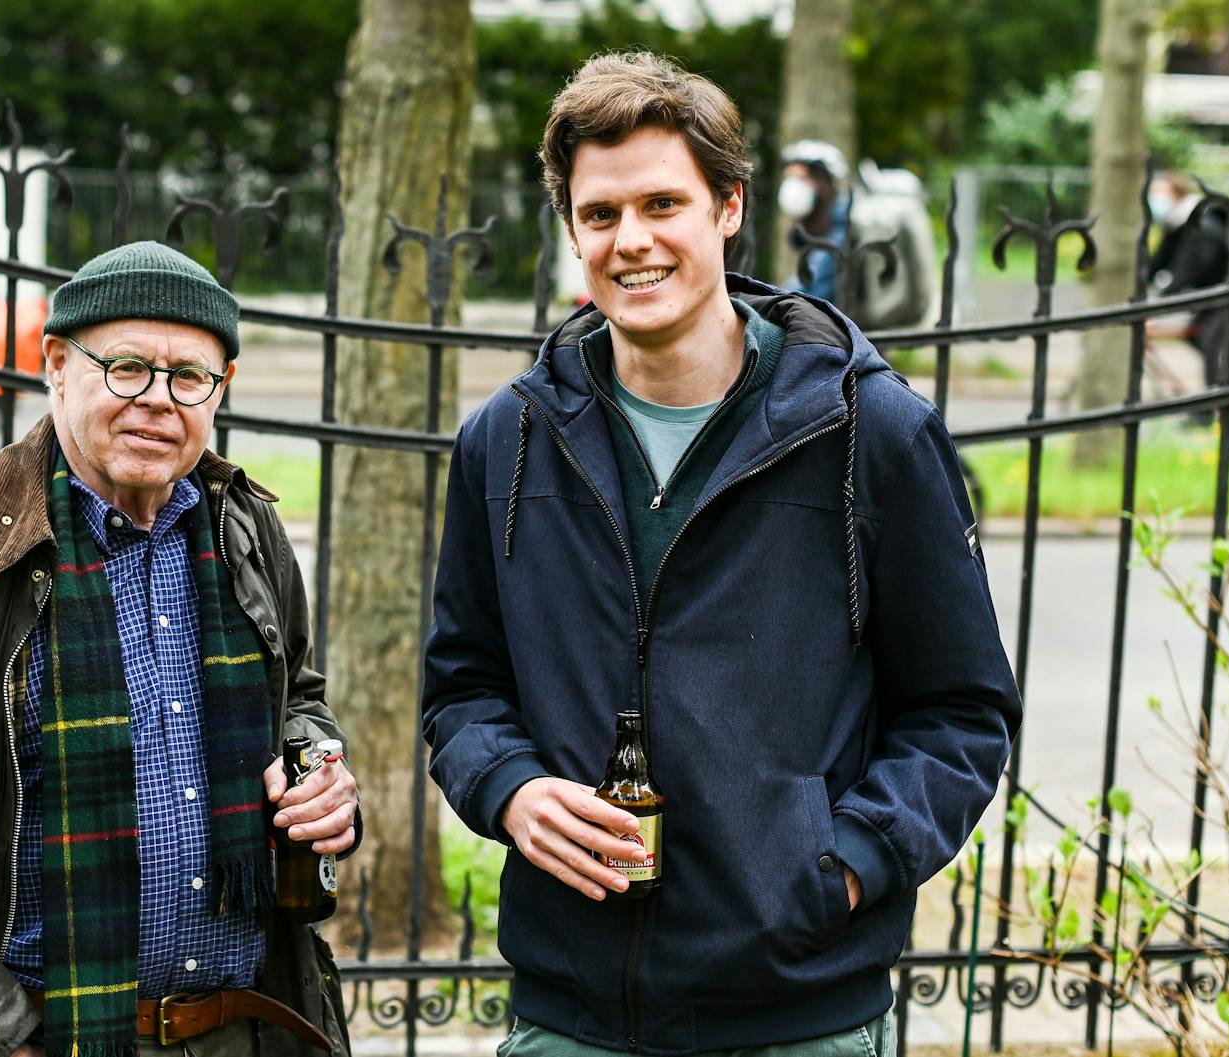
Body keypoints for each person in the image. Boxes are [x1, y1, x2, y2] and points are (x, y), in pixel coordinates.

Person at [422, 51, 1021, 1057]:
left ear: (728, 206)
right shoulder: (505, 440)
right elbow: (461, 687)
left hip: (799, 1017)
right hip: (571, 1016)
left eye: (663, 203)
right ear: (571, 229)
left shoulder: (871, 433)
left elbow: (961, 712)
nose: (631, 239)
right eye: (600, 213)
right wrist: (511, 789)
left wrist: (838, 866)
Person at [0, 241, 359, 1057]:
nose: (157, 399)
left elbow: (298, 698)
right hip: (33, 1037)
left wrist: (320, 772)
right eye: (127, 368)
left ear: (221, 387)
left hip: (241, 1030)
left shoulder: (245, 527)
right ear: (56, 364)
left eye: (189, 376)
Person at [1146, 172, 1229, 393]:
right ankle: (1226, 371)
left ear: (1177, 194)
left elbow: (1194, 264)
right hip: (1219, 288)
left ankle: (1215, 401)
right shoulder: (1177, 223)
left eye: (1160, 193)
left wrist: (1164, 299)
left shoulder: (1202, 222)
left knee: (1209, 337)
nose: (1156, 200)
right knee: (1195, 335)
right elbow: (1161, 259)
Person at [777, 139, 852, 304]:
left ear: (826, 184)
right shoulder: (815, 230)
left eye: (801, 178)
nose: (792, 186)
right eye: (788, 178)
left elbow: (804, 295)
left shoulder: (841, 234)